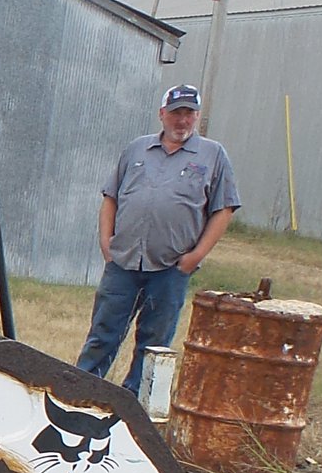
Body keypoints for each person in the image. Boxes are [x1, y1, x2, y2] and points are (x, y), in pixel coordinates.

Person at [76, 83, 239, 396]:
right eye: (176, 113)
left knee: (154, 345)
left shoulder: (213, 155)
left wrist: (194, 257)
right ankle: (79, 395)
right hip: (124, 262)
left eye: (189, 113)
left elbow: (224, 209)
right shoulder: (137, 149)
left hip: (170, 267)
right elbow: (110, 197)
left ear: (197, 116)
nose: (182, 120)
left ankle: (135, 405)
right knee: (102, 334)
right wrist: (106, 243)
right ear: (162, 114)